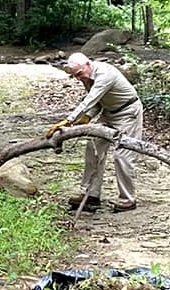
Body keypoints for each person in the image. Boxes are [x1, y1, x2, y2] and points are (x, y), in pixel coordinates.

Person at [46, 52, 144, 213]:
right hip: (108, 113)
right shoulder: (87, 76)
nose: (78, 78)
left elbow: (91, 98)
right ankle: (91, 195)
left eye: (79, 74)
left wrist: (69, 120)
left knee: (123, 156)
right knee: (93, 149)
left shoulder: (105, 73)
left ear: (87, 65)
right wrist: (88, 116)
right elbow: (98, 102)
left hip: (128, 113)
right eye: (75, 76)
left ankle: (128, 199)